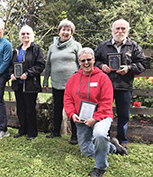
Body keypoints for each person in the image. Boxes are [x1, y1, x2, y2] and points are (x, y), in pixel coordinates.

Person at [64, 47, 128, 177]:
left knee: (99, 135)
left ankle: (100, 167)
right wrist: (72, 114)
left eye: (89, 60)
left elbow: (106, 103)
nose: (86, 63)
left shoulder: (103, 79)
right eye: (83, 60)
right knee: (87, 151)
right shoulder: (73, 79)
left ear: (94, 60)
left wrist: (96, 118)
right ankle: (112, 147)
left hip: (102, 116)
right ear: (79, 62)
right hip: (81, 119)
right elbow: (68, 99)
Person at [94, 19, 146, 149]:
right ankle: (104, 137)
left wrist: (129, 68)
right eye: (117, 28)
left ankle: (122, 140)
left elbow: (142, 64)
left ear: (127, 30)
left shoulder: (133, 46)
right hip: (106, 87)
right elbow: (93, 61)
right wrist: (101, 66)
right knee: (104, 112)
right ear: (112, 30)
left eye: (123, 28)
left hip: (124, 85)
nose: (120, 31)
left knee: (123, 114)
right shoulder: (103, 46)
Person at [43, 19, 82, 144]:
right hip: (56, 83)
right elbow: (48, 65)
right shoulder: (52, 47)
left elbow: (82, 64)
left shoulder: (76, 46)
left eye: (68, 30)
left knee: (73, 110)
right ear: (59, 31)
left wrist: (82, 80)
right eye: (63, 30)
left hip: (72, 84)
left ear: (72, 32)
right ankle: (56, 132)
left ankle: (75, 135)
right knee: (57, 108)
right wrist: (45, 81)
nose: (65, 32)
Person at [9, 25, 45, 140]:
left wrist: (28, 73)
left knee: (30, 109)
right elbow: (11, 66)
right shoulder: (16, 50)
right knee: (21, 108)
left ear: (31, 35)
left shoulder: (36, 49)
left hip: (30, 85)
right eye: (23, 34)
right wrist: (11, 74)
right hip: (18, 84)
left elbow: (40, 65)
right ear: (20, 36)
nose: (25, 36)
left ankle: (32, 132)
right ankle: (22, 130)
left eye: (27, 34)